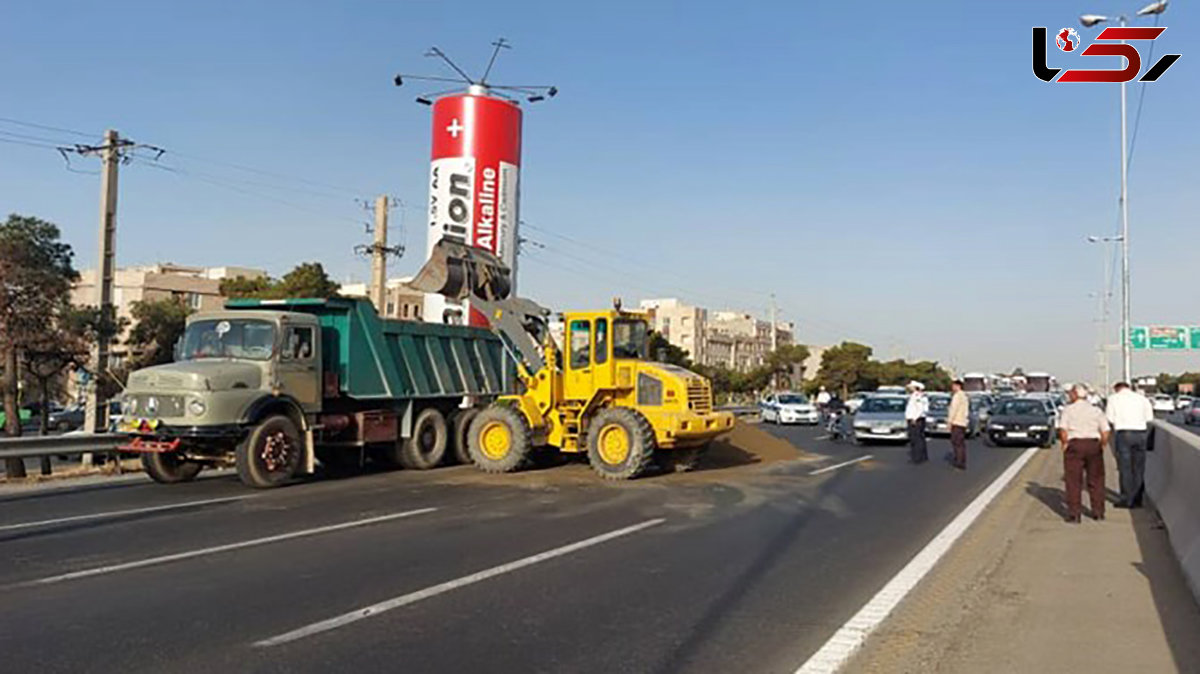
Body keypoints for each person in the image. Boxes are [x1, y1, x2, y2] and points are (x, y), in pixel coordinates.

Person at [1058, 384, 1111, 523]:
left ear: (1075, 394)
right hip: (1093, 444)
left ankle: (1074, 514)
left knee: (1073, 481)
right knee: (1096, 479)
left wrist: (1065, 444)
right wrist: (1102, 445)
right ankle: (1098, 512)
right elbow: (1105, 431)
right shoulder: (1096, 411)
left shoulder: (1068, 410)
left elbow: (1063, 430)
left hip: (1075, 444)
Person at [1105, 381, 1154, 508]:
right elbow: (1149, 418)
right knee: (1138, 468)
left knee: (1125, 467)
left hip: (1124, 433)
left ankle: (1127, 499)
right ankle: (1138, 499)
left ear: (1117, 389)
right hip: (1141, 434)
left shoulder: (1113, 399)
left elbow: (1109, 418)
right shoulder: (1142, 399)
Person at [947, 379, 970, 470]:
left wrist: (949, 422)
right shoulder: (964, 396)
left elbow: (953, 409)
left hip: (957, 421)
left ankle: (959, 461)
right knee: (961, 443)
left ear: (958, 386)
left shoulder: (957, 396)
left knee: (956, 442)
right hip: (963, 422)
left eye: (953, 386)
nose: (952, 387)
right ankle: (961, 460)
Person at [905, 381, 929, 463]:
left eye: (911, 387)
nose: (909, 388)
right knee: (920, 438)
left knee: (916, 439)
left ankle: (917, 457)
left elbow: (920, 408)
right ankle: (922, 456)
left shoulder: (917, 396)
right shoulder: (920, 395)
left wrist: (914, 418)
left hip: (916, 419)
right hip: (919, 419)